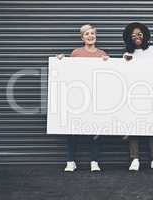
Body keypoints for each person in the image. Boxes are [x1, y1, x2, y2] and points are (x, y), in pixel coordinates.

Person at [57, 24, 108, 172]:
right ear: (82, 37)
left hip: (95, 97)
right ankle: (71, 161)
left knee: (95, 130)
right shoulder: (76, 53)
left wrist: (108, 62)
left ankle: (94, 161)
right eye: (87, 34)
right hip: (78, 96)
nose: (90, 36)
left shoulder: (102, 54)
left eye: (92, 33)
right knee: (73, 129)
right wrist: (61, 60)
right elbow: (68, 72)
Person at [122, 22, 153, 171]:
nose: (136, 37)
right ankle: (135, 159)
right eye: (133, 36)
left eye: (139, 34)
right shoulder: (128, 53)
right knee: (134, 126)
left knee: (152, 126)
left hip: (152, 93)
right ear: (129, 38)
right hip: (134, 94)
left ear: (144, 35)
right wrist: (125, 63)